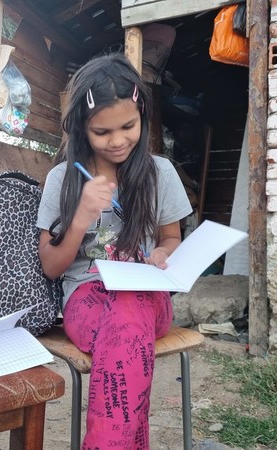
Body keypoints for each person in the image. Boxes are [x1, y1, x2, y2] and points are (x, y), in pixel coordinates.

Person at [36, 52, 193, 449]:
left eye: (129, 126)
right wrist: (80, 218)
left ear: (142, 115)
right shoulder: (63, 180)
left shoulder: (159, 174)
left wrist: (162, 255)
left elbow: (170, 239)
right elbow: (52, 267)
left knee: (129, 312)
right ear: (80, 129)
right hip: (86, 303)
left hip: (147, 297)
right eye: (102, 132)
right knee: (124, 331)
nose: (119, 140)